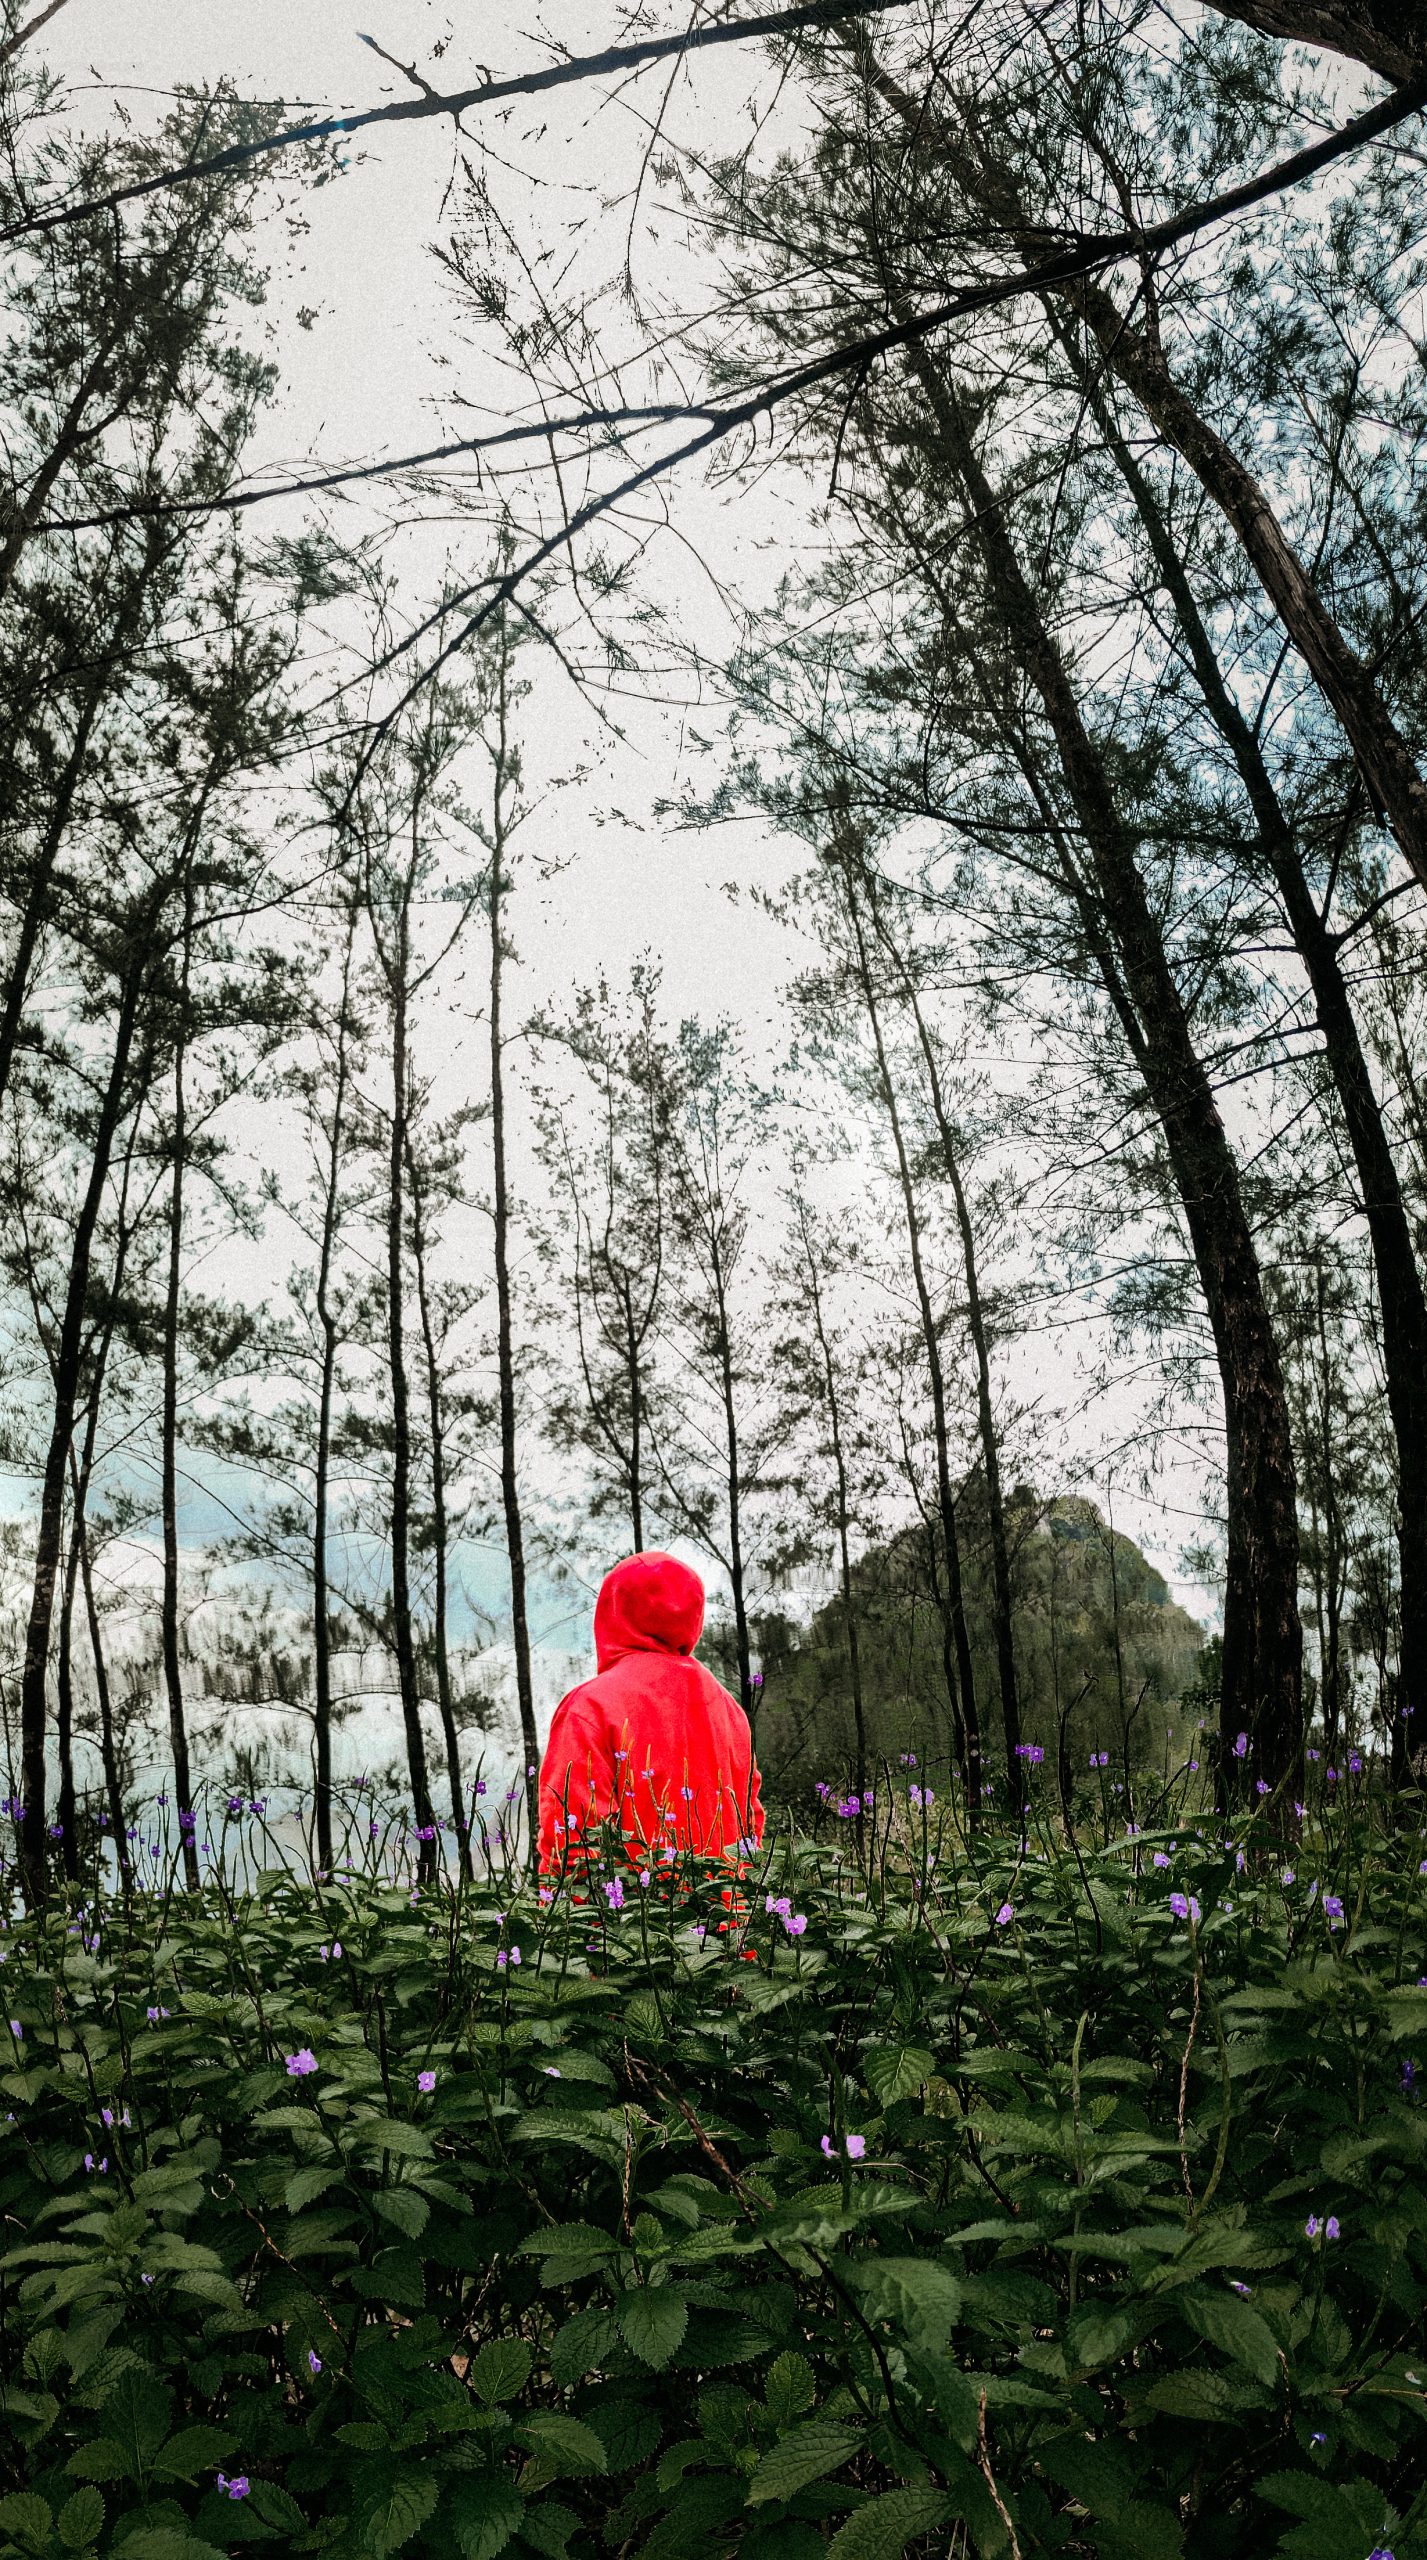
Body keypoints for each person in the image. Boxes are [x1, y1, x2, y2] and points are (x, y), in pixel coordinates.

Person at [537, 1550, 764, 1880]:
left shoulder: (590, 1707)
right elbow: (750, 1829)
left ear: (612, 1611)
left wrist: (557, 1922)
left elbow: (573, 1845)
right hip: (730, 1921)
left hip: (634, 1927)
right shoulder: (728, 1710)